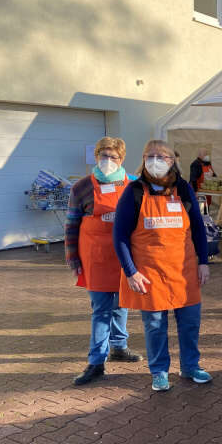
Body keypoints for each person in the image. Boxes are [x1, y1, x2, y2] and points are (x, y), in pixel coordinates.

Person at [114, 140, 212, 392]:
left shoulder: (183, 189)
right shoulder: (134, 191)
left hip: (184, 270)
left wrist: (203, 261)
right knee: (155, 326)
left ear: (172, 162)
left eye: (161, 156)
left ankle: (190, 366)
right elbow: (120, 236)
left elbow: (198, 229)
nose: (155, 160)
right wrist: (131, 271)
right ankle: (159, 371)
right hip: (150, 274)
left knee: (190, 323)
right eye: (150, 155)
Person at [66, 137, 143, 385]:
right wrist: (72, 256)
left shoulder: (133, 184)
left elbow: (142, 222)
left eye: (113, 157)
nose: (108, 161)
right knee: (100, 310)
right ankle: (96, 362)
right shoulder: (81, 187)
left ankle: (119, 347)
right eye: (104, 155)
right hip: (95, 258)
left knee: (122, 305)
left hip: (124, 257)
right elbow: (71, 224)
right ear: (96, 156)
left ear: (122, 159)